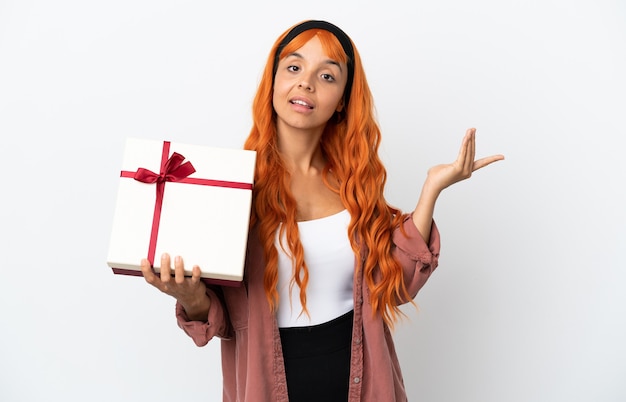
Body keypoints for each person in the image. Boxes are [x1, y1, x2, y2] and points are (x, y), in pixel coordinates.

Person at [140, 20, 504, 402]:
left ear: (343, 98)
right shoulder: (232, 188)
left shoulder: (355, 185)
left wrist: (431, 191)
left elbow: (393, 287)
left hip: (363, 384)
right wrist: (191, 297)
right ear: (273, 81)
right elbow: (223, 318)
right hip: (267, 386)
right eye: (294, 67)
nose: (306, 83)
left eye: (327, 75)